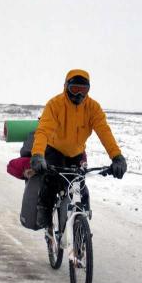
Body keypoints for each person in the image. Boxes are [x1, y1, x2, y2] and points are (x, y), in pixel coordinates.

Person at [30, 69, 127, 227]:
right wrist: (38, 154)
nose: (79, 95)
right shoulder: (55, 105)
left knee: (81, 187)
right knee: (51, 182)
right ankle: (45, 218)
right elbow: (43, 131)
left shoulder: (93, 107)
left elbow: (104, 132)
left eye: (84, 90)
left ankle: (80, 226)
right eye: (74, 89)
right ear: (66, 86)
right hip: (54, 150)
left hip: (76, 153)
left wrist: (117, 157)